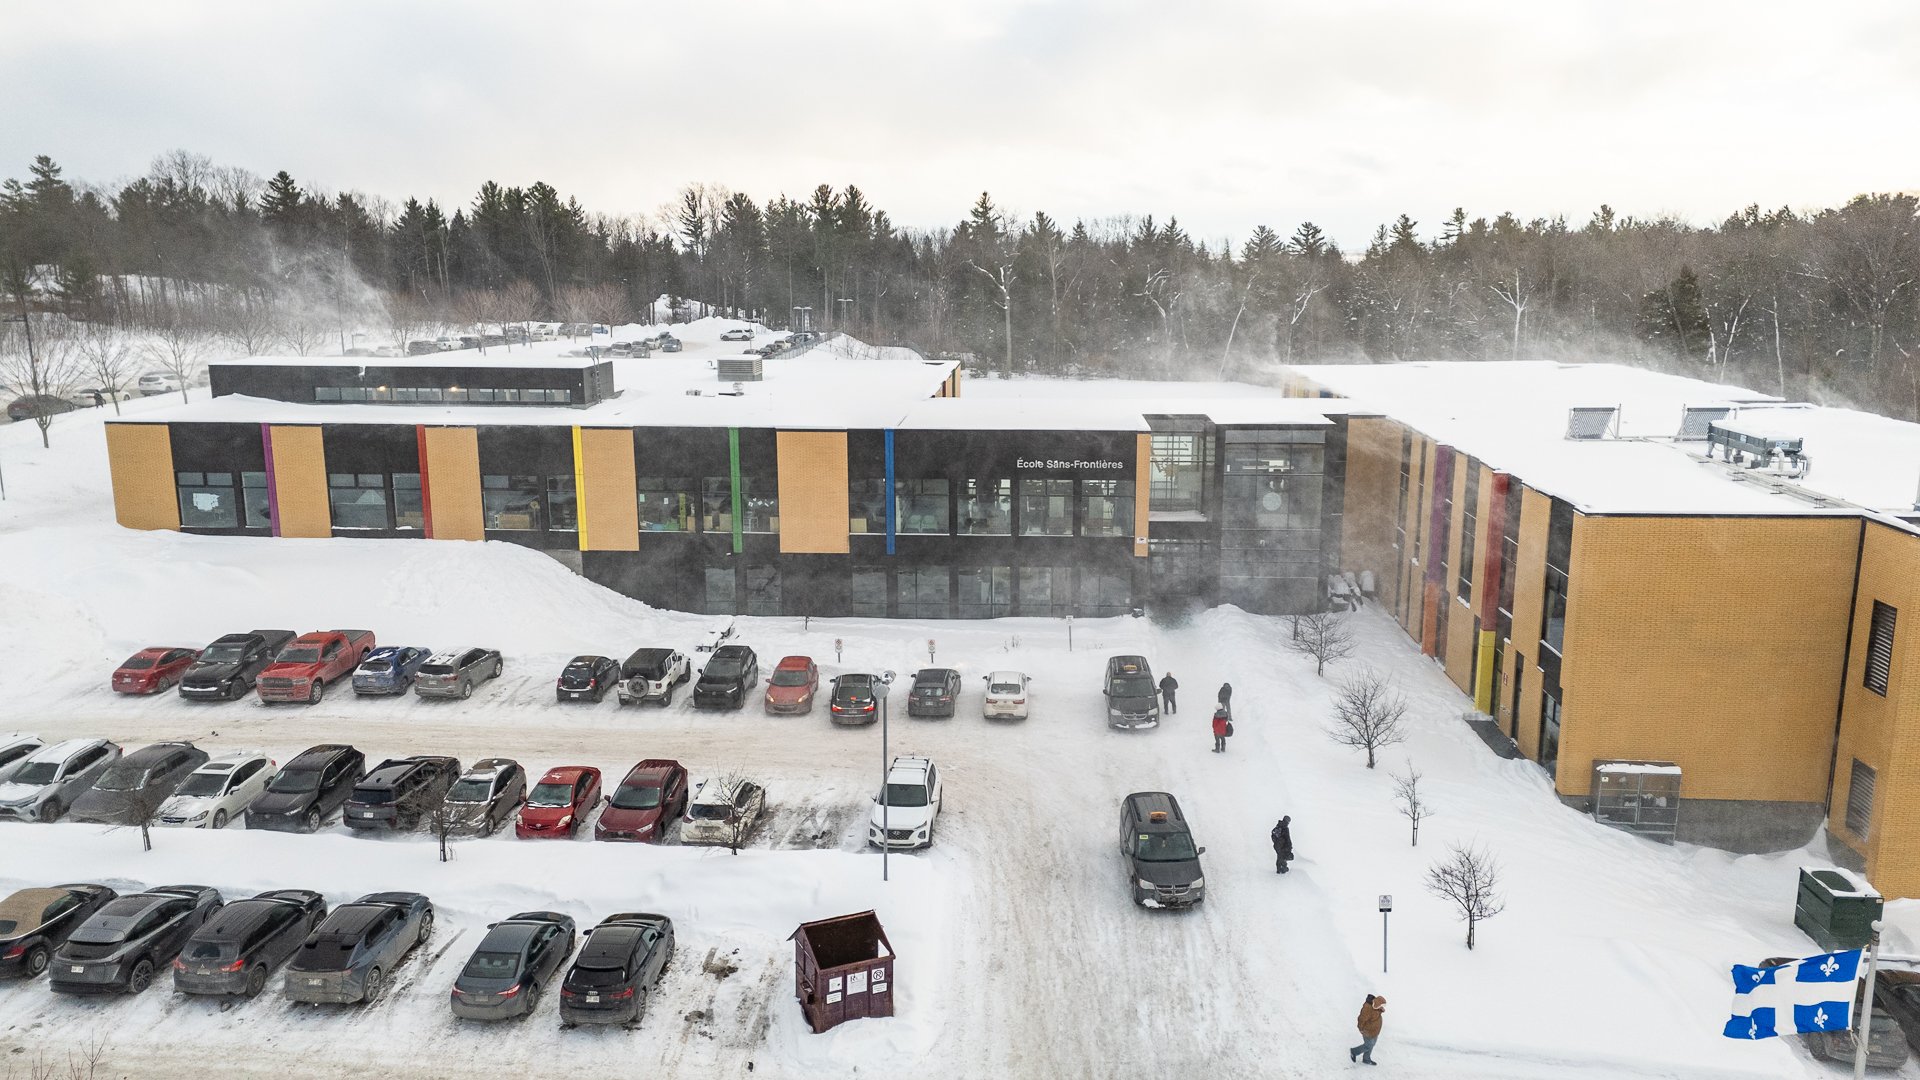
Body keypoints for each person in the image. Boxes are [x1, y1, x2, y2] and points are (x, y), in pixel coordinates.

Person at [1351, 994, 1386, 1065]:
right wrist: (1361, 1028)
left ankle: (1366, 1059)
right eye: (1382, 1005)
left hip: (1375, 1031)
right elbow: (1361, 1019)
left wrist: (1381, 1010)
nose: (1382, 1007)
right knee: (1368, 1045)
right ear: (1377, 1004)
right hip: (1368, 1031)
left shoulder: (1376, 1007)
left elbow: (1376, 1013)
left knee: (1372, 1044)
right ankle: (1354, 1052)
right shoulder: (1367, 1008)